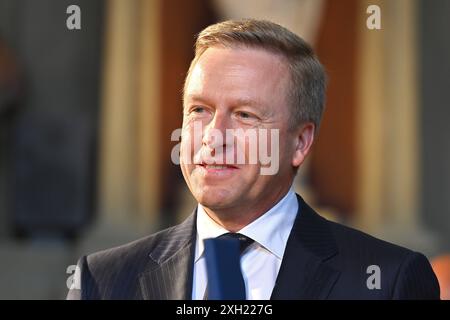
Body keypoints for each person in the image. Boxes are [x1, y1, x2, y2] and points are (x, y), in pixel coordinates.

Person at [67, 19, 439, 300]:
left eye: (245, 114)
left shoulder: (388, 282)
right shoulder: (101, 281)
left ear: (300, 142)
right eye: (199, 110)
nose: (213, 135)